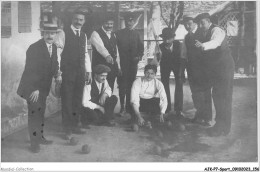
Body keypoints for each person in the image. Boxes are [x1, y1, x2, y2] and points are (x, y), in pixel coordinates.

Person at [17, 23, 59, 153]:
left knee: (40, 113)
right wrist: (34, 88)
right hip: (32, 87)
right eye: (47, 33)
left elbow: (55, 63)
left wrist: (58, 73)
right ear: (42, 33)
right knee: (35, 114)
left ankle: (39, 137)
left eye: (52, 33)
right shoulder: (34, 48)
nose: (49, 36)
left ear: (55, 34)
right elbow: (30, 71)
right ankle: (34, 144)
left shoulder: (55, 47)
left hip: (43, 88)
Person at [194, 13, 235, 136]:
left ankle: (224, 127)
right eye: (199, 24)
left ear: (208, 21)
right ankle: (220, 125)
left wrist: (203, 45)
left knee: (224, 96)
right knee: (217, 95)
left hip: (225, 67)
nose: (201, 26)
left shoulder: (217, 30)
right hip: (216, 69)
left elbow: (215, 42)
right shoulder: (202, 32)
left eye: (203, 23)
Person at [60, 10, 92, 140]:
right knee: (67, 99)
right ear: (72, 19)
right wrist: (58, 72)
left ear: (84, 21)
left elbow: (85, 54)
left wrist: (88, 71)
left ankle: (75, 124)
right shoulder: (63, 33)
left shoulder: (83, 35)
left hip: (80, 72)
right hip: (67, 72)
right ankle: (67, 128)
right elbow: (58, 53)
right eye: (76, 19)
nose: (78, 22)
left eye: (81, 20)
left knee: (77, 98)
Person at [182, 16, 212, 126]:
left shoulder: (202, 33)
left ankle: (208, 118)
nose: (187, 26)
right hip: (192, 69)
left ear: (195, 23)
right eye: (185, 24)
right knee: (195, 93)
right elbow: (184, 54)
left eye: (189, 23)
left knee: (205, 92)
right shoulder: (186, 37)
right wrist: (184, 69)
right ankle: (199, 115)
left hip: (203, 69)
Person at [116, 13, 144, 119]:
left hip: (132, 65)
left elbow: (141, 48)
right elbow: (115, 49)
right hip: (122, 64)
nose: (130, 23)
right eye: (128, 20)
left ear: (133, 22)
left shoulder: (137, 34)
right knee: (122, 86)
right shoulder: (118, 33)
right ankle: (122, 107)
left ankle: (129, 107)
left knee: (131, 86)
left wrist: (138, 57)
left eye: (132, 21)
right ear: (125, 22)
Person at [158, 28, 185, 119]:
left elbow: (183, 58)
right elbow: (156, 60)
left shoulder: (179, 45)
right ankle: (166, 108)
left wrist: (182, 72)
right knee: (164, 84)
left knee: (179, 84)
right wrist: (158, 56)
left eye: (169, 38)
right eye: (164, 38)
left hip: (178, 64)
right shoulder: (160, 47)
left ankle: (178, 110)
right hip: (165, 65)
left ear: (173, 38)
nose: (166, 40)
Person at [90, 16, 121, 92]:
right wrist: (107, 55)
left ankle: (107, 102)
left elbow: (116, 51)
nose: (109, 26)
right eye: (107, 23)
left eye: (111, 24)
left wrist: (118, 66)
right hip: (100, 65)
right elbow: (100, 47)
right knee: (98, 86)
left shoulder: (113, 35)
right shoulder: (95, 33)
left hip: (112, 66)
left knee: (110, 86)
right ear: (103, 23)